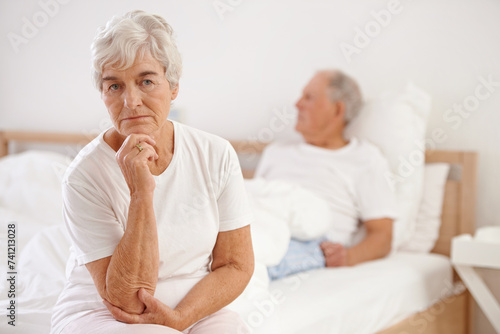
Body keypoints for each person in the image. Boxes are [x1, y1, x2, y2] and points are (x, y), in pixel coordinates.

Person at [50, 10, 254, 334]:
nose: (131, 101)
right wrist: (141, 193)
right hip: (104, 313)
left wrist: (183, 317)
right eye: (114, 86)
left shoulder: (216, 154)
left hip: (197, 307)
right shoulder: (83, 177)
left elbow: (236, 265)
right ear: (102, 94)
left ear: (173, 87)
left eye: (146, 81)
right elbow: (128, 300)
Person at [257, 70, 398, 280]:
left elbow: (382, 236)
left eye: (309, 97)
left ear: (337, 109)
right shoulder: (275, 152)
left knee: (249, 259)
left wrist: (347, 257)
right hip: (261, 223)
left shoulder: (365, 158)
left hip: (311, 242)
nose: (297, 104)